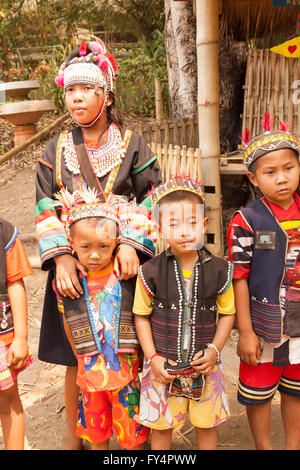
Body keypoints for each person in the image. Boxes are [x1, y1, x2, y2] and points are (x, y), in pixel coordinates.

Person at [35, 38, 161, 449]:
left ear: (106, 95)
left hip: (122, 272)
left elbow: (152, 196)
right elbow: (43, 205)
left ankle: (133, 437)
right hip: (76, 272)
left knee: (128, 348)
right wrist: (61, 261)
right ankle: (78, 437)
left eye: (86, 89)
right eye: (70, 91)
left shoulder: (134, 145)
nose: (76, 99)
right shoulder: (55, 150)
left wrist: (130, 243)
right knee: (77, 354)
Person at [133, 175, 235, 450]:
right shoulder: (150, 271)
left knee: (206, 425)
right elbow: (141, 316)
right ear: (159, 228)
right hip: (162, 366)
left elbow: (227, 314)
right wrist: (152, 358)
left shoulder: (219, 270)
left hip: (205, 364)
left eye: (191, 223)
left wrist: (214, 350)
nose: (184, 232)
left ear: (204, 225)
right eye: (174, 224)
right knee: (162, 428)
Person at [52, 188, 150, 450]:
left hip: (126, 373)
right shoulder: (71, 283)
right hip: (91, 375)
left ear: (117, 241)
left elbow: (141, 316)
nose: (95, 255)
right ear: (71, 243)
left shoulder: (127, 276)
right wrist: (80, 361)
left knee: (132, 437)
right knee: (98, 437)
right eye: (85, 247)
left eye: (103, 246)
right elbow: (68, 324)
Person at [227, 113, 300, 450]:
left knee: (296, 390)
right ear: (253, 179)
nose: (282, 178)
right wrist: (246, 331)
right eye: (270, 172)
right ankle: (263, 447)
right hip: (264, 324)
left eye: (289, 168)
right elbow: (238, 279)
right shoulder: (247, 220)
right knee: (258, 393)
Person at [0, 218, 33, 449]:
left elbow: (15, 283)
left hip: (2, 338)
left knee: (8, 401)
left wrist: (20, 338)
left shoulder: (5, 232)